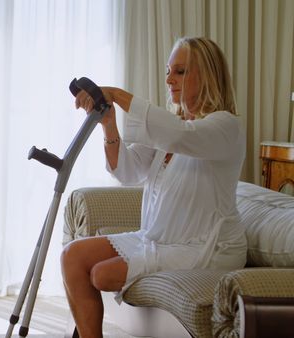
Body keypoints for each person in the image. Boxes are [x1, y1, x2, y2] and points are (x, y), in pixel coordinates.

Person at [60, 36, 247, 338]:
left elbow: (182, 135)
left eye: (180, 72)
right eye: (168, 70)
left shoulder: (224, 127)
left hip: (204, 247)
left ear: (208, 75)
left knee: (101, 273)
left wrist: (117, 94)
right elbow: (128, 170)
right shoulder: (171, 128)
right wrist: (109, 124)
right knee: (72, 256)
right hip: (156, 238)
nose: (169, 79)